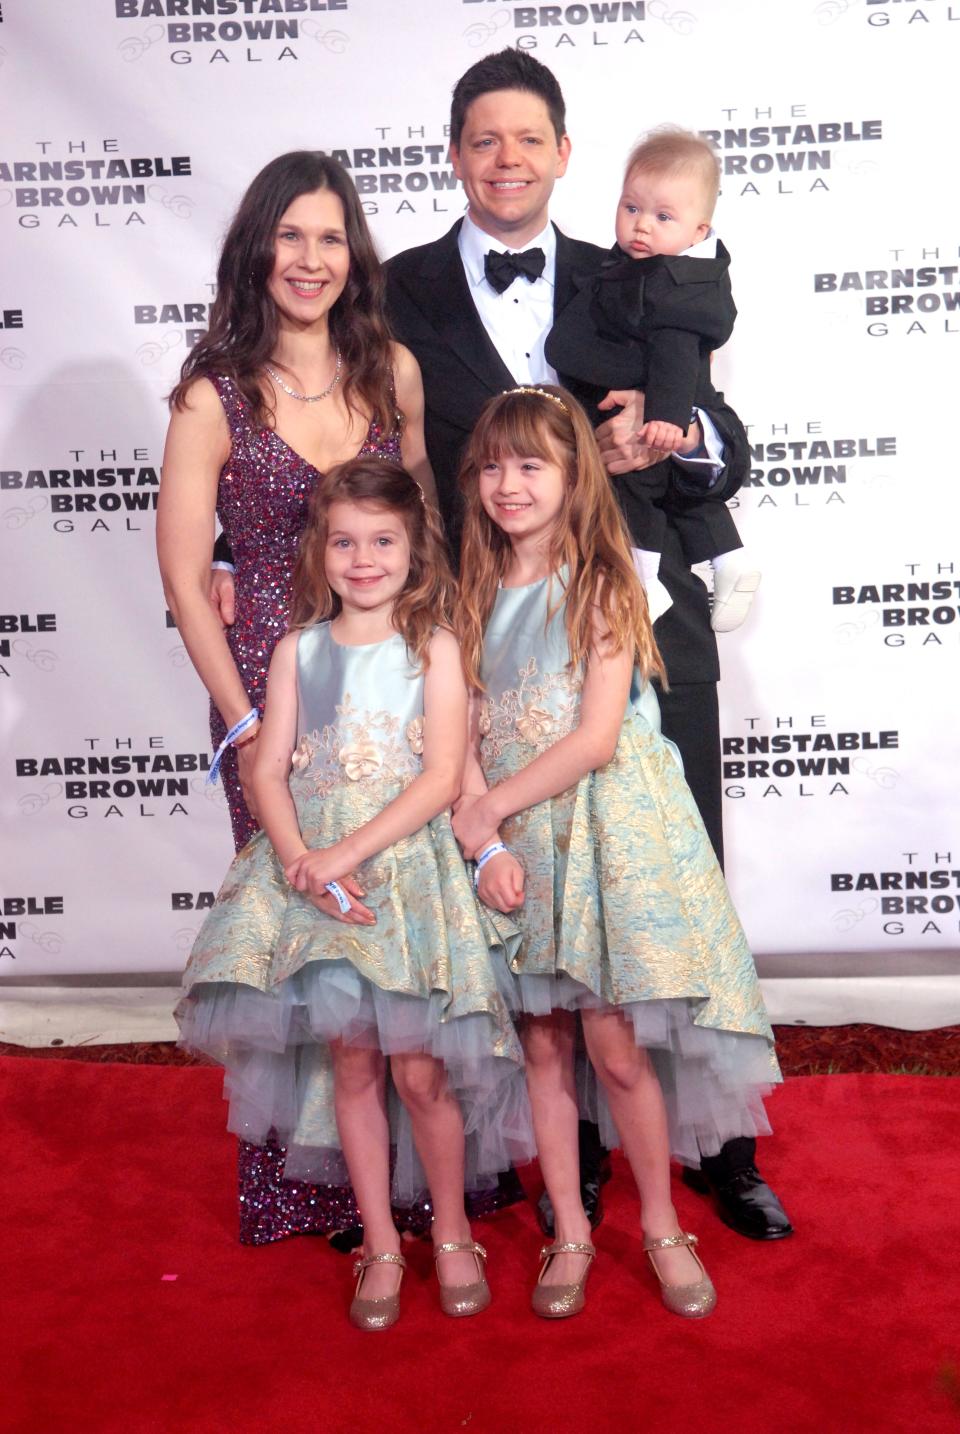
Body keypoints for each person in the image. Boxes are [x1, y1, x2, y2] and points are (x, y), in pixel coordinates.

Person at [384, 49, 793, 1240]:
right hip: (492, 636)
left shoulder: (644, 263)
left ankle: (720, 1143)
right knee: (525, 904)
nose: (506, 160)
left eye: (530, 139)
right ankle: (554, 1152)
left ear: (566, 151)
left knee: (679, 888)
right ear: (455, 155)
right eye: (482, 140)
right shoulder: (400, 290)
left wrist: (668, 439)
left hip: (641, 613)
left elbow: (721, 430)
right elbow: (372, 440)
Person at [158, 151, 442, 1248]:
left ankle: (415, 1168)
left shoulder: (394, 374)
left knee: (396, 916)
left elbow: (422, 541)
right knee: (297, 930)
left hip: (385, 694)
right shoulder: (212, 391)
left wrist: (436, 683)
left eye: (330, 238)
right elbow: (187, 578)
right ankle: (304, 1182)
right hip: (270, 711)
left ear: (352, 254)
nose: (310, 259)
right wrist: (236, 722)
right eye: (291, 236)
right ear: (257, 250)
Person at [177, 457, 532, 1329]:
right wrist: (300, 857)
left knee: (419, 1072)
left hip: (400, 879)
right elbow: (266, 766)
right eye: (344, 541)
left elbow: (442, 775)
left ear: (416, 550)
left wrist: (344, 854)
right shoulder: (296, 649)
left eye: (383, 541)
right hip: (315, 885)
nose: (363, 558)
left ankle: (450, 1231)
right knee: (351, 1063)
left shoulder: (434, 649)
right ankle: (377, 1239)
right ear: (319, 550)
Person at [450, 386, 779, 1319]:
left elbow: (596, 737)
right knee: (540, 1045)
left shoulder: (602, 580)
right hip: (518, 843)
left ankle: (664, 1225)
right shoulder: (467, 590)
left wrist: (490, 809)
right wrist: (480, 834)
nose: (508, 486)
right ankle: (569, 1229)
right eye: (492, 466)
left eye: (532, 466)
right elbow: (462, 728)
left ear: (573, 476)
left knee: (616, 1046)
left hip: (602, 827)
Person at [545, 127, 761, 634]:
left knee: (640, 483)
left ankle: (643, 580)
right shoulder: (614, 268)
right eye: (631, 208)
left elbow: (675, 354)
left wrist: (669, 419)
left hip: (644, 427)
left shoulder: (671, 285)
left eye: (663, 217)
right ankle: (724, 556)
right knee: (656, 488)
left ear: (699, 231)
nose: (641, 226)